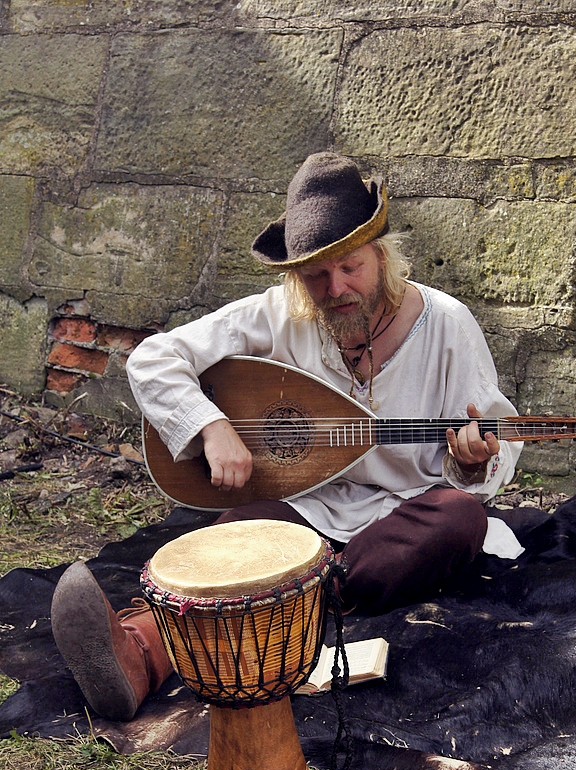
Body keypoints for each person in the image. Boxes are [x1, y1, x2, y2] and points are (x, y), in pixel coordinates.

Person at [51, 152, 523, 722]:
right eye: (316, 276)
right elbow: (153, 359)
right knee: (237, 531)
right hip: (306, 504)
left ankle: (228, 615)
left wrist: (472, 464)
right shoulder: (279, 314)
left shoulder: (447, 324)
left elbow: (495, 450)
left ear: (382, 254)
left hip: (404, 517)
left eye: (351, 267)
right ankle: (138, 653)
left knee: (460, 520)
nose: (337, 288)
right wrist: (210, 425)